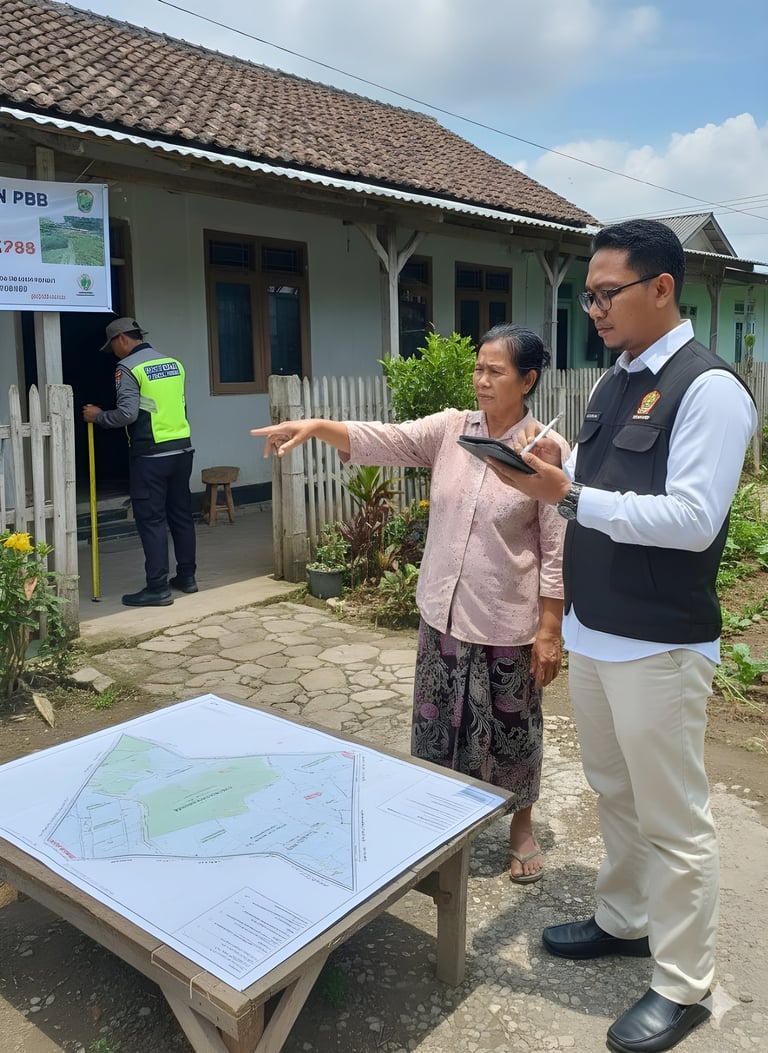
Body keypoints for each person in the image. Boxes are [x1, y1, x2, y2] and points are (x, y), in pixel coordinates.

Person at [491, 220, 757, 1053]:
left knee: (673, 817)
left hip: (659, 642)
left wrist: (566, 494)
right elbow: (596, 485)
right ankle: (625, 918)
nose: (595, 309)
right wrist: (553, 468)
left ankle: (683, 983)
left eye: (608, 293)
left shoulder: (709, 389)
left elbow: (691, 518)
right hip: (597, 631)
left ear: (662, 288)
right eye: (589, 296)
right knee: (614, 790)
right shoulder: (614, 382)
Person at [251, 324, 569, 883]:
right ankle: (439, 823)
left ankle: (521, 826)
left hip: (506, 619)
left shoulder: (545, 449)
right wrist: (316, 426)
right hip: (442, 612)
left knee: (512, 728)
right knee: (437, 725)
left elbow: (554, 547)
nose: (482, 380)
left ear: (527, 380)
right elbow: (386, 438)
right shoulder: (451, 430)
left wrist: (549, 631)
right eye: (478, 368)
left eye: (495, 371)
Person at [83, 317, 198, 607]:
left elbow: (127, 414)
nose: (113, 353)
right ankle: (187, 578)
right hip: (182, 450)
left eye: (113, 346)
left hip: (151, 456)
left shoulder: (127, 368)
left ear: (122, 338)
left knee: (152, 521)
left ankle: (157, 588)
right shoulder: (174, 363)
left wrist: (98, 416)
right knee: (181, 516)